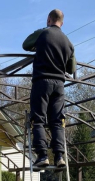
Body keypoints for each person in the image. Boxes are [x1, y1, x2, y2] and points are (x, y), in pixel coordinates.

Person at [23, 9, 76, 168]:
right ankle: (59, 157)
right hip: (59, 85)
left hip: (42, 82)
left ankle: (42, 156)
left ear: (48, 19)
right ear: (62, 22)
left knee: (38, 119)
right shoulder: (68, 42)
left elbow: (25, 45)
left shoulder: (42, 33)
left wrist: (39, 48)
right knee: (57, 121)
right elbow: (71, 68)